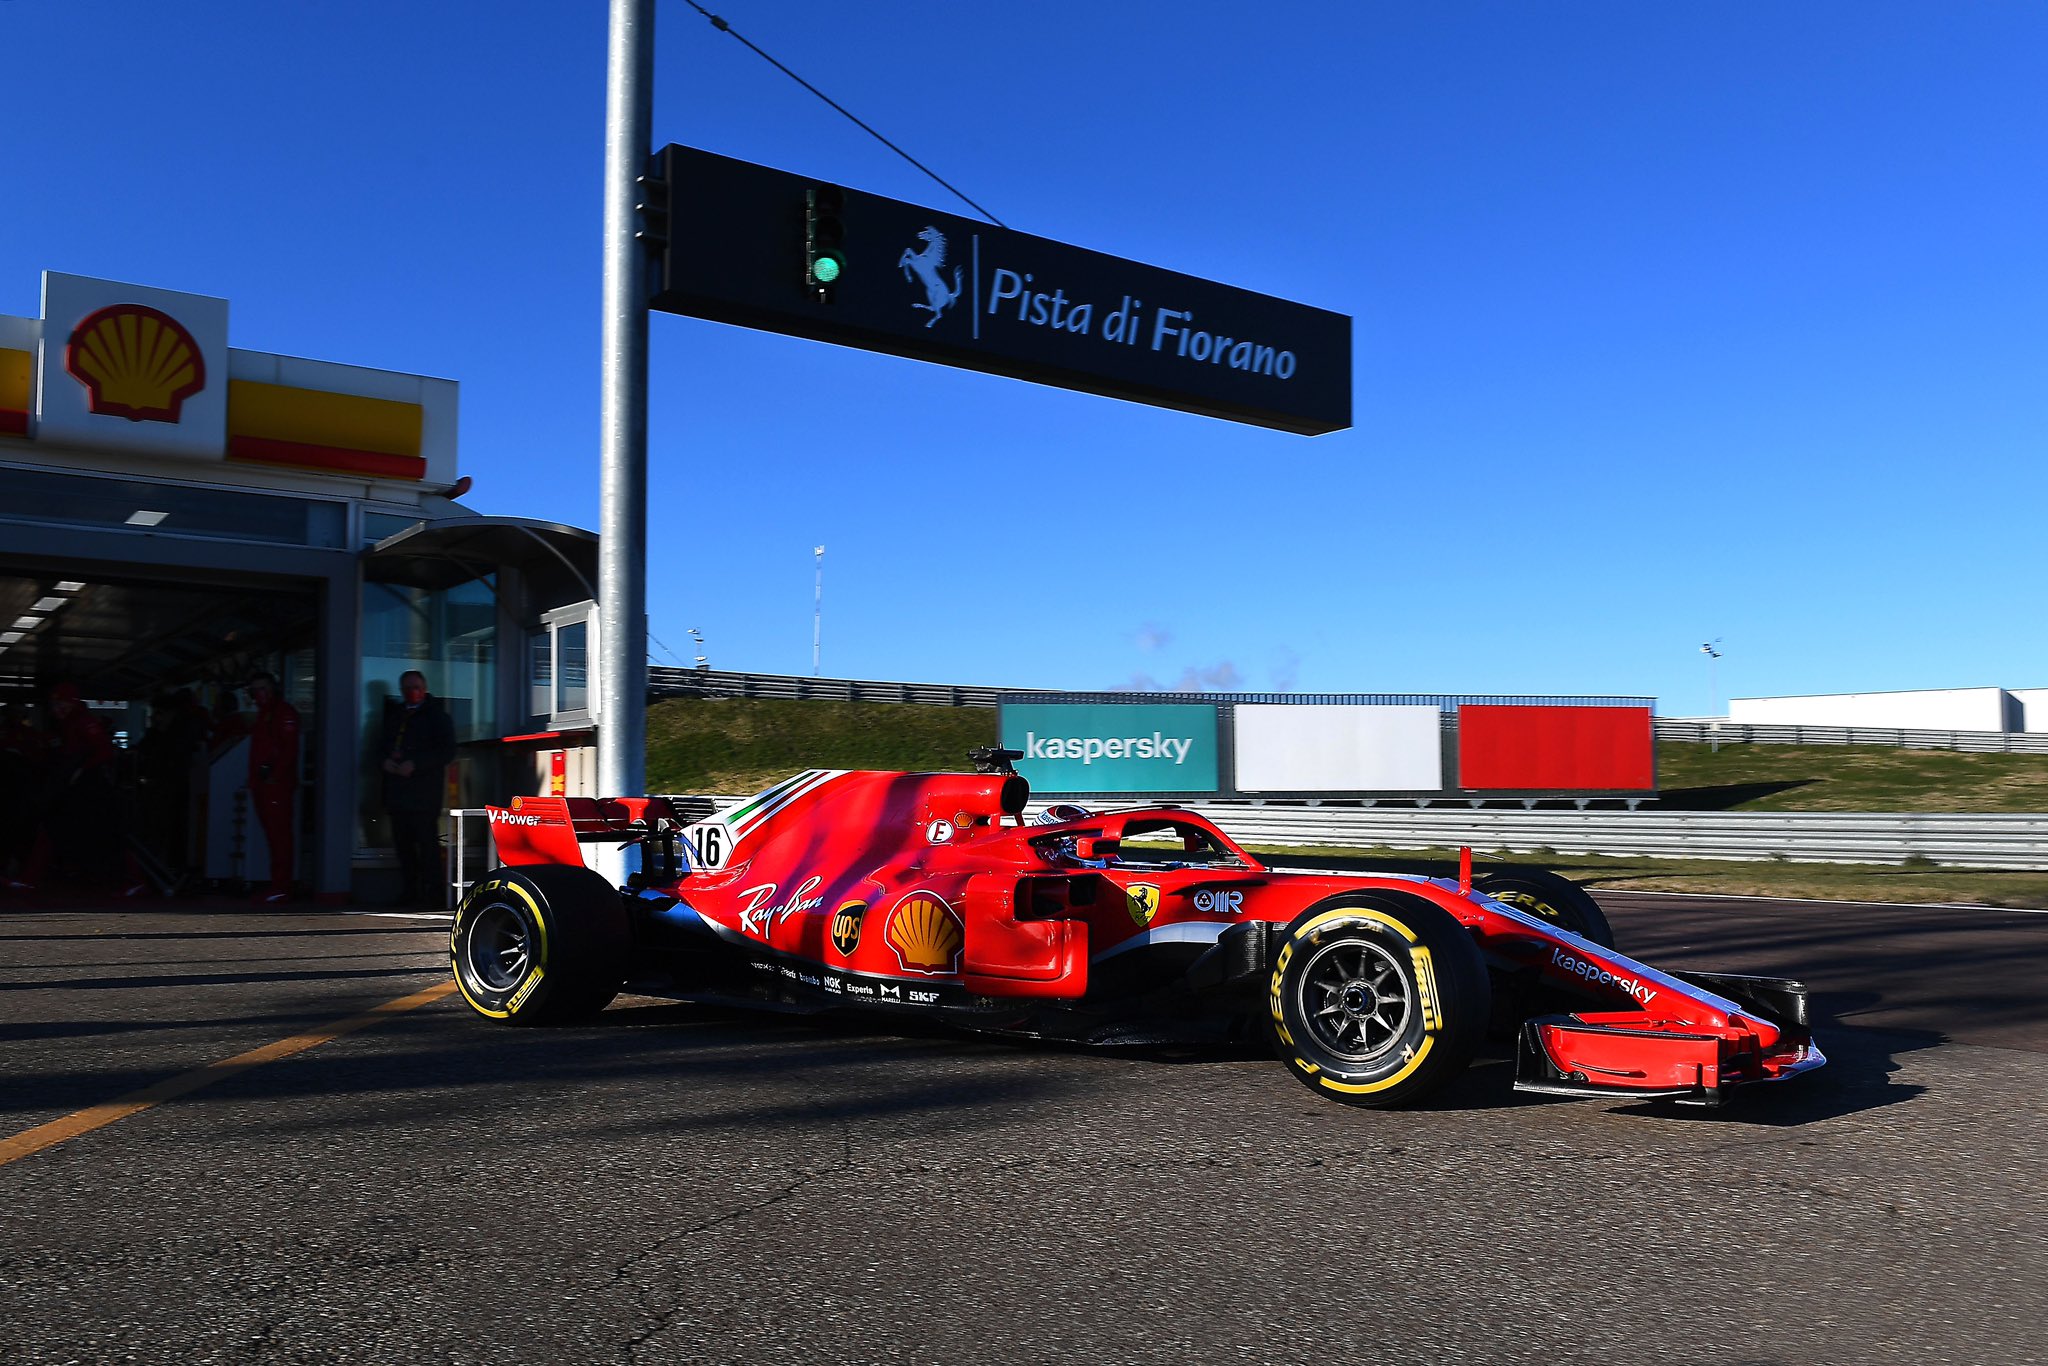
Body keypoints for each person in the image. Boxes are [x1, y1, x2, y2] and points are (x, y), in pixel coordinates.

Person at [379, 670, 455, 907]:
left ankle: (434, 894)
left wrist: (416, 764)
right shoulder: (395, 716)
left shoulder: (437, 716)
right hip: (398, 793)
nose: (412, 692)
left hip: (424, 794)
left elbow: (447, 751)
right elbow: (380, 747)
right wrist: (385, 761)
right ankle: (410, 891)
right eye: (407, 688)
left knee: (427, 845)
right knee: (404, 846)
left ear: (424, 689)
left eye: (416, 688)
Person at [245, 671, 302, 904]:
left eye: (263, 689)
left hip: (275, 786)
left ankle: (281, 886)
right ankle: (278, 885)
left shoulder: (282, 713)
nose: (259, 694)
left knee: (279, 837)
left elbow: (289, 749)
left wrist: (275, 776)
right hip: (265, 785)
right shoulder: (265, 714)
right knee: (273, 837)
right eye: (255, 690)